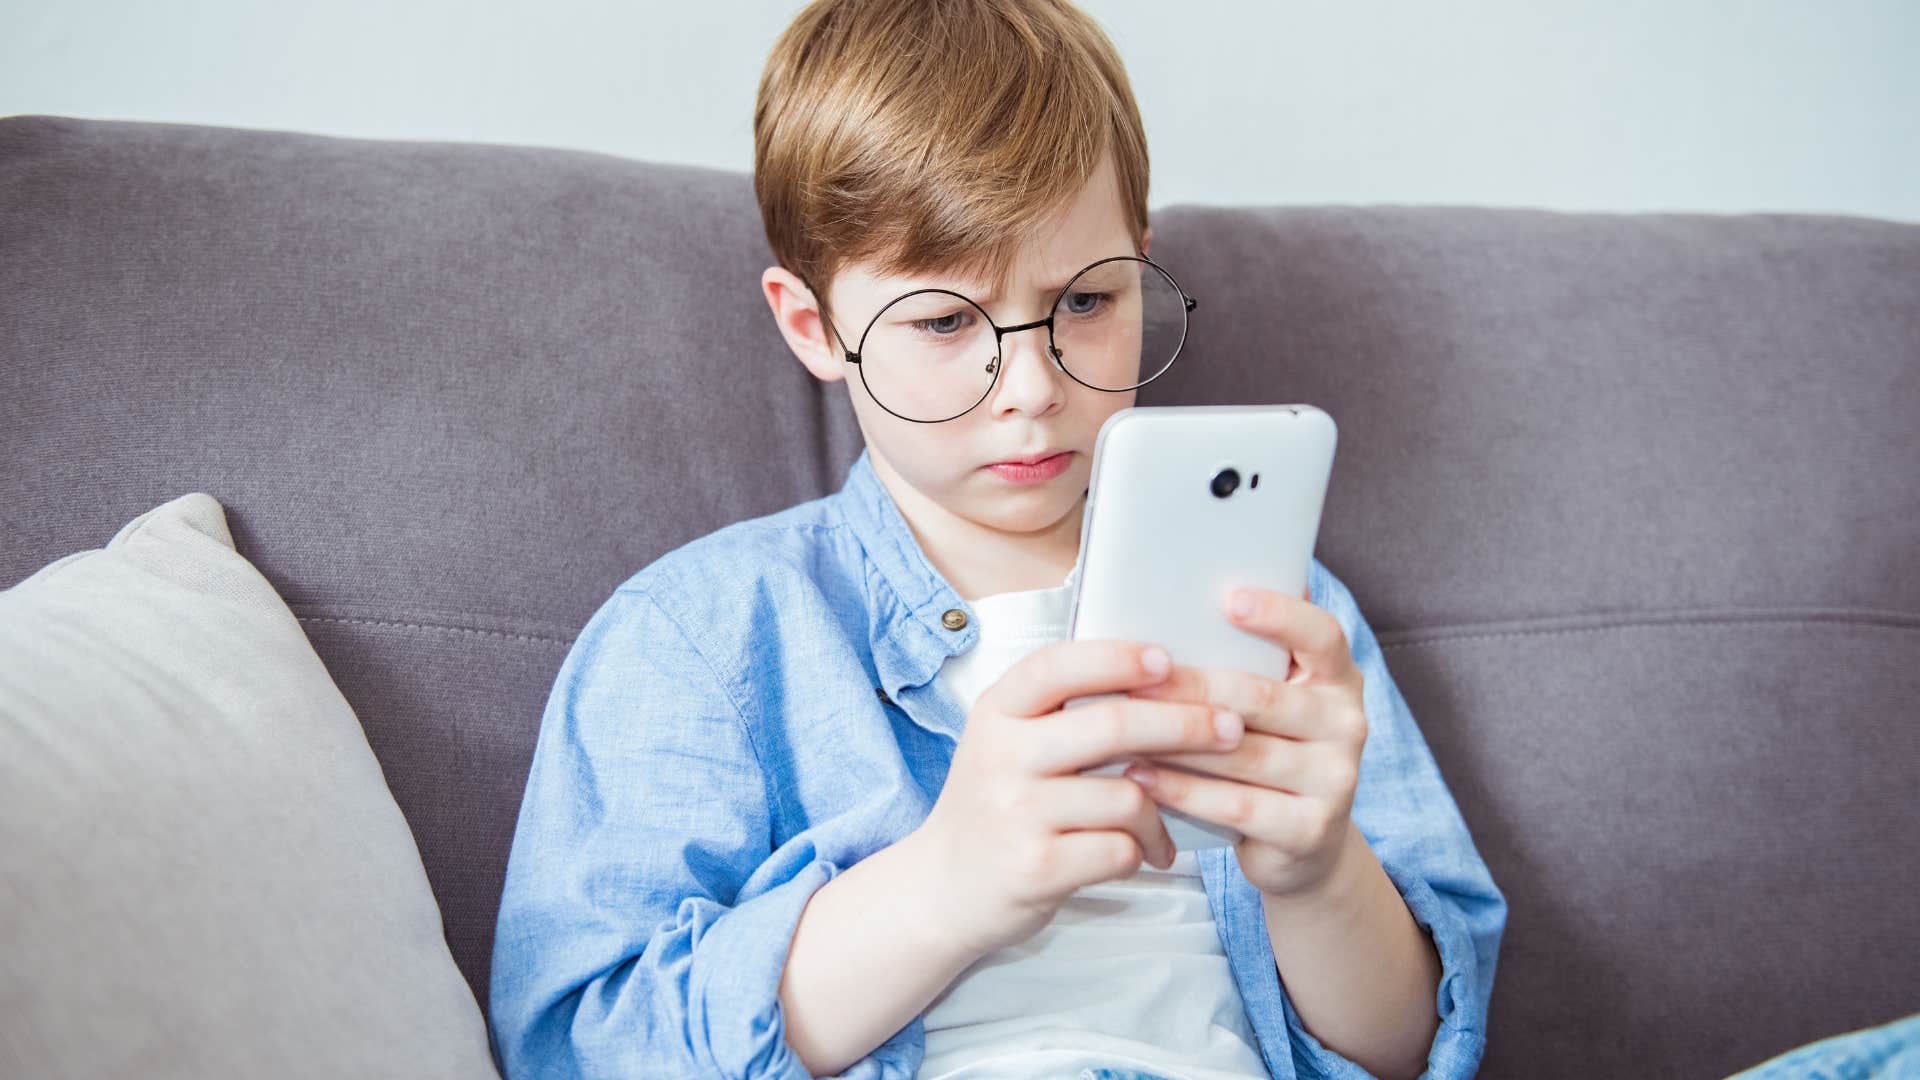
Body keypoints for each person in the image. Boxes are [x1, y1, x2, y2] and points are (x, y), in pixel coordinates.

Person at [487, 1, 1506, 1077]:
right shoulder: (698, 637)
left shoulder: (1281, 604)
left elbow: (1415, 1049)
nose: (1033, 388)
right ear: (813, 327)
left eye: (1085, 301)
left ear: (1139, 265)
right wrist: (948, 884)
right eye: (941, 322)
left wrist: (1316, 874)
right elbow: (579, 1046)